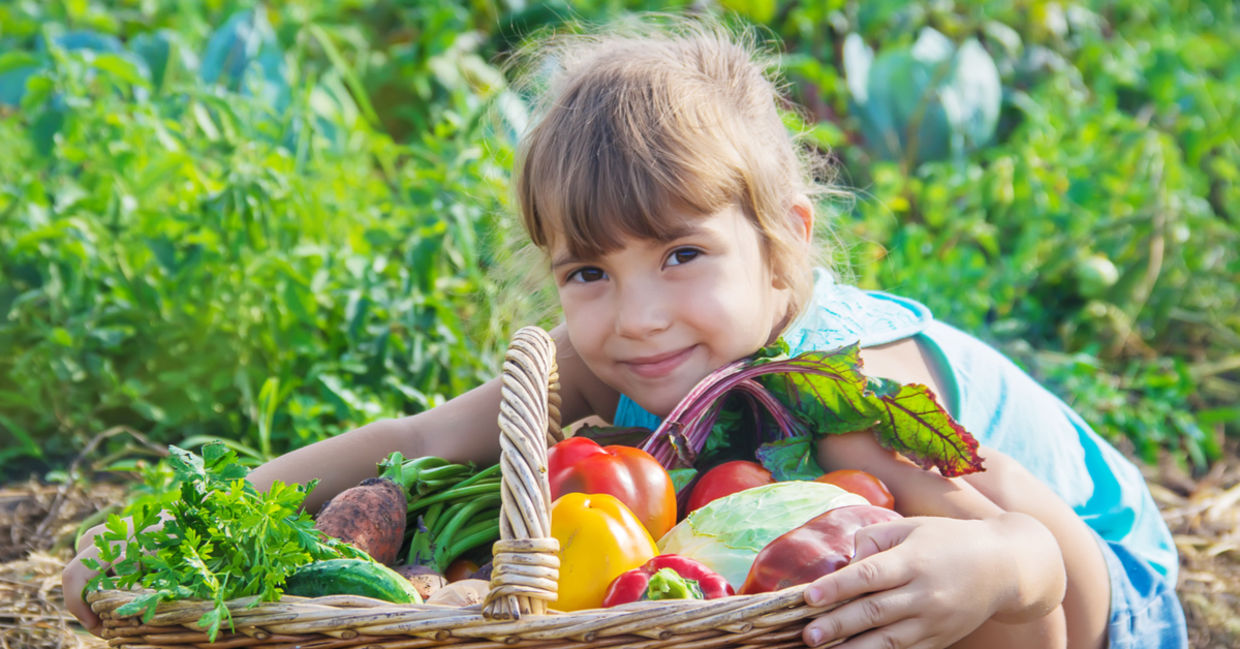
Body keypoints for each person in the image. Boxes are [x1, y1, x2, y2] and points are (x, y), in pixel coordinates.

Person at [63, 18, 1186, 649]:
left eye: (682, 254)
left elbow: (1067, 595)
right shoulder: (598, 358)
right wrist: (160, 535)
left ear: (783, 245)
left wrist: (1001, 567)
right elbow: (406, 442)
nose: (638, 316)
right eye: (589, 272)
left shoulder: (846, 393)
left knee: (939, 591)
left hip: (1105, 588)